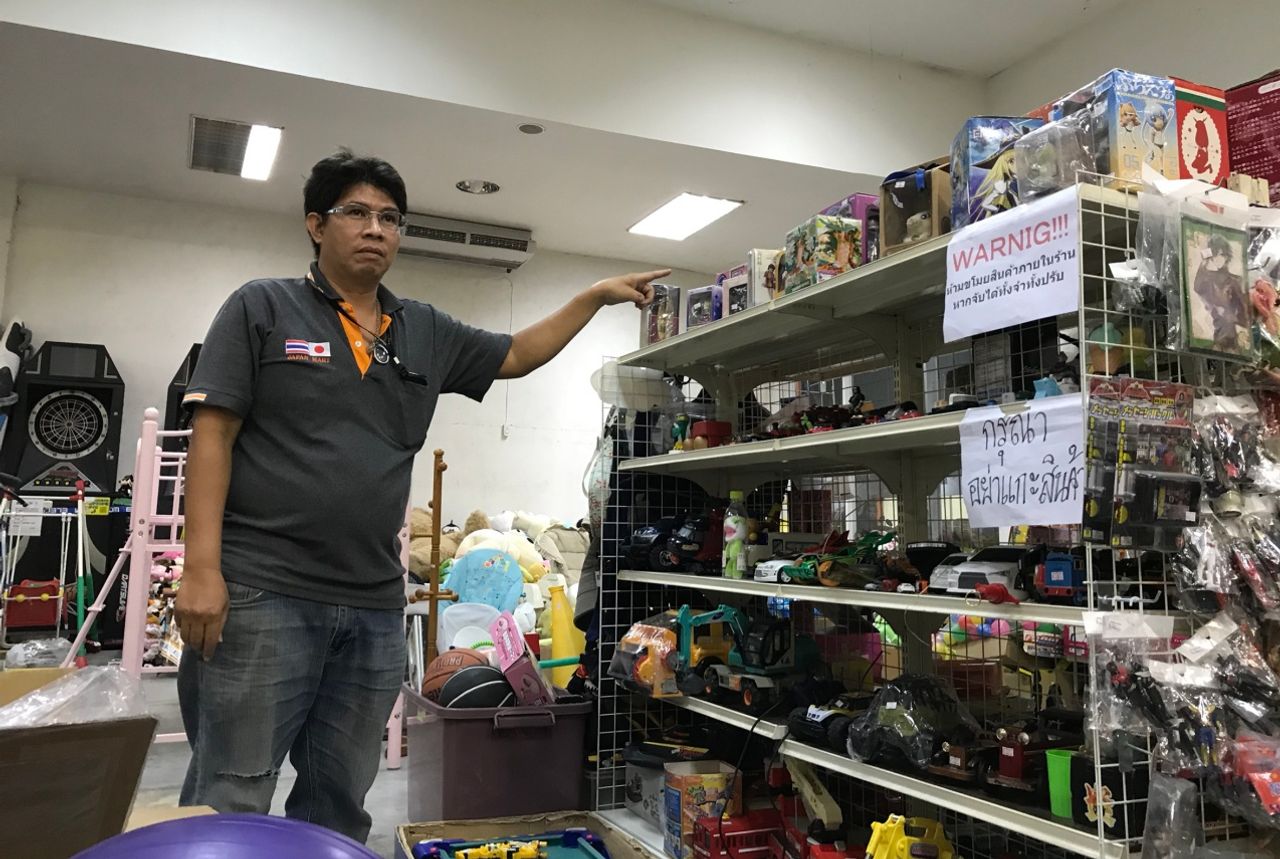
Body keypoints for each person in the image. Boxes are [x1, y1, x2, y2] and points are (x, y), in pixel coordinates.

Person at [174, 149, 668, 842]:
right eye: (356, 212)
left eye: (390, 218)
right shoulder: (262, 306)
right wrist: (201, 568)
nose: (376, 228)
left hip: (373, 606)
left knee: (339, 797)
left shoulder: (423, 330)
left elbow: (516, 353)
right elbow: (213, 434)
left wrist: (591, 298)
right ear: (316, 224)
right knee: (233, 789)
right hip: (263, 592)